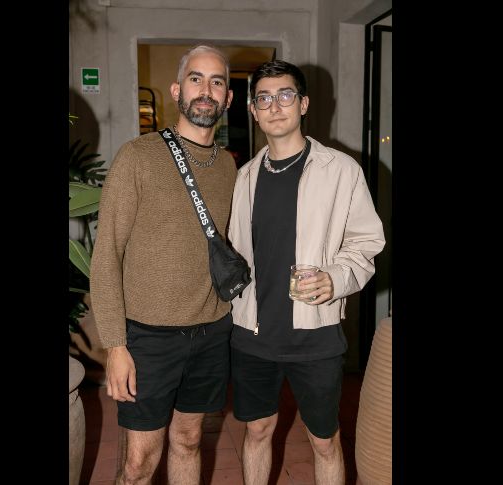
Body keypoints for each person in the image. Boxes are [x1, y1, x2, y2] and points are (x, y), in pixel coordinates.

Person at [227, 59, 386, 485]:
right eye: (264, 98)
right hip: (253, 332)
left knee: (324, 441)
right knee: (257, 431)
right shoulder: (243, 178)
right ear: (253, 110)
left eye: (285, 95)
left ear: (303, 104)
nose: (275, 106)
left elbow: (367, 241)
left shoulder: (341, 170)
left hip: (315, 333)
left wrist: (336, 278)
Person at [89, 45, 237, 485]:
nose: (206, 90)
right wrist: (116, 346)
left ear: (228, 97)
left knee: (189, 440)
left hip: (212, 331)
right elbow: (106, 255)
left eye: (216, 81)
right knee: (138, 464)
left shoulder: (229, 167)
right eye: (196, 79)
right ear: (176, 90)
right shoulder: (138, 156)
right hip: (148, 338)